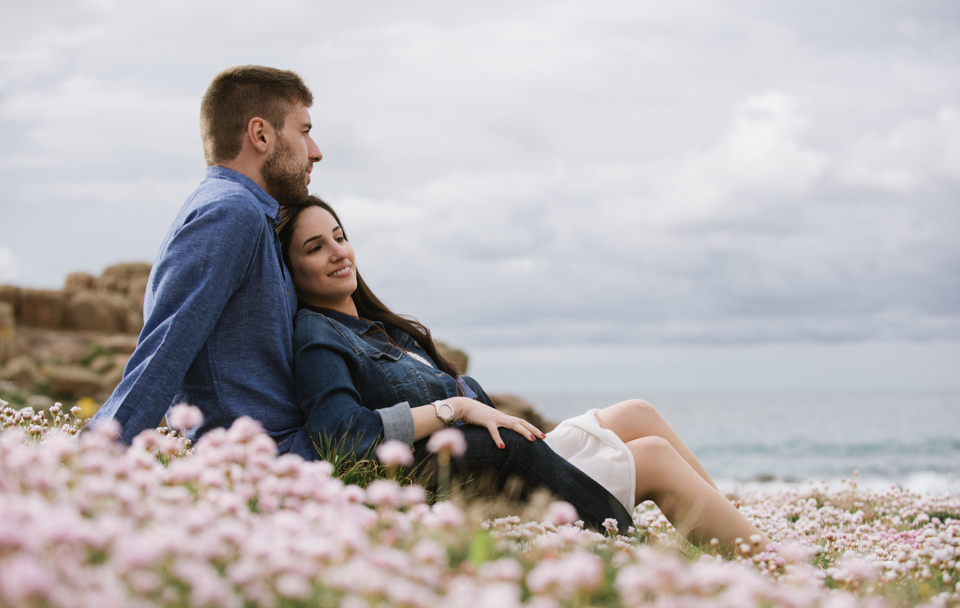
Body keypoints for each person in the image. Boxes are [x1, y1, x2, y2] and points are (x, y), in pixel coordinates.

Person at [277, 196, 772, 551]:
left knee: (639, 413)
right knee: (656, 459)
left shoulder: (379, 329)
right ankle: (774, 573)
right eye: (316, 247)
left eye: (340, 237)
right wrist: (454, 408)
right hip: (491, 484)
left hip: (516, 456)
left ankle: (745, 538)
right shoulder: (318, 336)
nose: (339, 252)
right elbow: (340, 435)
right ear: (291, 270)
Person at [94, 65, 337, 446]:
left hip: (293, 446)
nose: (316, 151)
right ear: (261, 134)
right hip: (272, 458)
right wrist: (91, 457)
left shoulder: (250, 215)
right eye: (304, 131)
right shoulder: (231, 212)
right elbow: (165, 348)